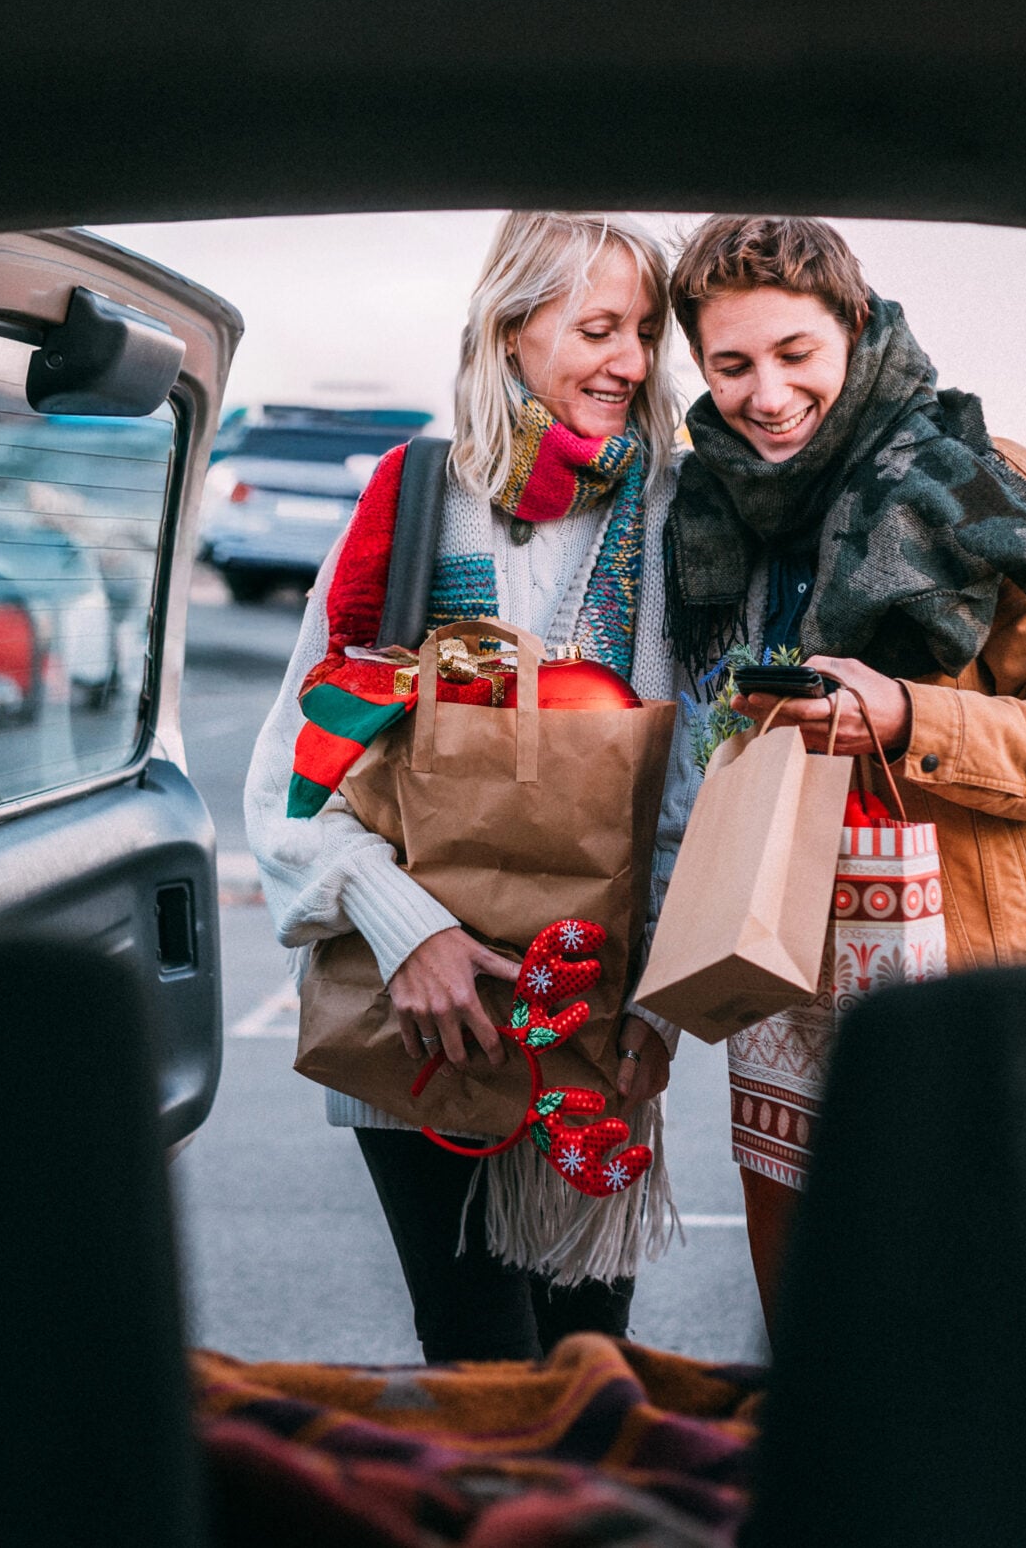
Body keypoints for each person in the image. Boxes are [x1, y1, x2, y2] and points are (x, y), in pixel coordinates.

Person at [663, 215, 1026, 1327]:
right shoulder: (717, 516)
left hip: (968, 988)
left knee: (976, 1343)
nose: (765, 393)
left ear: (854, 327)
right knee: (815, 1343)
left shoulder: (991, 484)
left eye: (795, 354)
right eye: (730, 364)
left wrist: (906, 713)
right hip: (786, 997)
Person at [245, 212, 692, 1363]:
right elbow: (292, 778)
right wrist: (406, 928)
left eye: (644, 331)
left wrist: (663, 1003)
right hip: (417, 1024)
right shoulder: (409, 502)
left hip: (595, 1020)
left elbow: (698, 781)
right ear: (508, 333)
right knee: (476, 1357)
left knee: (593, 1354)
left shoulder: (674, 517)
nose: (632, 362)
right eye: (598, 327)